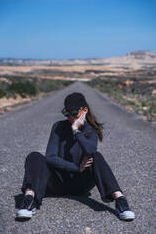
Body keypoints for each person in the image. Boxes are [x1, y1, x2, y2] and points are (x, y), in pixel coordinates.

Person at [16, 92, 135, 220]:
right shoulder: (58, 127)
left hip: (80, 184)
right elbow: (51, 157)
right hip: (57, 183)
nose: (71, 117)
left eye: (74, 114)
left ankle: (120, 200)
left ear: (84, 110)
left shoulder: (91, 129)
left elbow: (90, 150)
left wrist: (76, 131)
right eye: (67, 113)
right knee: (34, 156)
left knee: (97, 156)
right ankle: (29, 199)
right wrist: (76, 167)